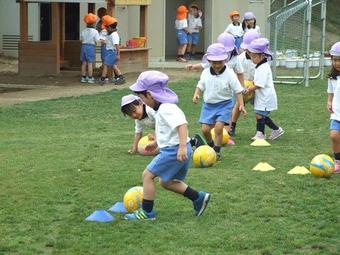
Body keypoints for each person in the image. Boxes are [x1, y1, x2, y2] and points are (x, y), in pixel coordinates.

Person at [124, 70, 211, 220]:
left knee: (147, 176)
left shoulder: (166, 108)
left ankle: (147, 212)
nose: (142, 101)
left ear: (150, 95)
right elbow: (170, 131)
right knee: (166, 182)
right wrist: (157, 143)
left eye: (141, 97)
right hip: (175, 149)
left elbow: (182, 125)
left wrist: (182, 147)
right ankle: (198, 198)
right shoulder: (161, 109)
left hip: (174, 151)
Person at [192, 43, 247, 159]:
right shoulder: (206, 72)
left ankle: (216, 151)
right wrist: (197, 94)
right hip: (208, 105)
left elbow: (238, 90)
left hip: (224, 104)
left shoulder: (229, 74)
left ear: (225, 60)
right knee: (205, 130)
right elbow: (200, 85)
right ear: (209, 61)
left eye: (220, 62)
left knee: (218, 127)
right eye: (214, 62)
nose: (217, 65)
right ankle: (211, 145)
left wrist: (241, 105)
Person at [244, 38, 284, 140]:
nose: (252, 58)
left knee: (259, 115)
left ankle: (260, 134)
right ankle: (276, 130)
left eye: (254, 56)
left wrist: (249, 90)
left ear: (262, 56)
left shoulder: (263, 68)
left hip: (265, 97)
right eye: (251, 56)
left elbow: (259, 84)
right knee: (261, 115)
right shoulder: (260, 66)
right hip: (263, 96)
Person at [229, 30, 259, 136]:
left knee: (259, 108)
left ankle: (259, 129)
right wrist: (242, 87)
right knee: (238, 105)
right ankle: (232, 126)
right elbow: (237, 74)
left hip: (256, 87)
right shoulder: (240, 58)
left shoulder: (261, 60)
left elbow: (261, 75)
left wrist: (252, 86)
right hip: (241, 87)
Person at [99, 17, 125, 85]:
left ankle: (103, 79)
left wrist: (118, 54)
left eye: (107, 28)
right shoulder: (112, 34)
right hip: (111, 52)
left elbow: (117, 45)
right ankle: (121, 77)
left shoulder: (114, 35)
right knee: (113, 66)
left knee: (105, 65)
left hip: (112, 52)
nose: (106, 29)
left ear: (110, 27)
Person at [327, 41, 340, 173]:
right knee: (334, 136)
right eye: (335, 60)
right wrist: (329, 101)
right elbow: (331, 92)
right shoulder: (332, 77)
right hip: (337, 113)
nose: (337, 63)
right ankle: (338, 161)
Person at [80, 13, 100, 84]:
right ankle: (90, 77)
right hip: (91, 47)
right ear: (94, 23)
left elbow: (81, 39)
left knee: (84, 63)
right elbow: (97, 40)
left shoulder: (83, 31)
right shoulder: (95, 31)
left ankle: (83, 77)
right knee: (90, 63)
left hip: (83, 46)